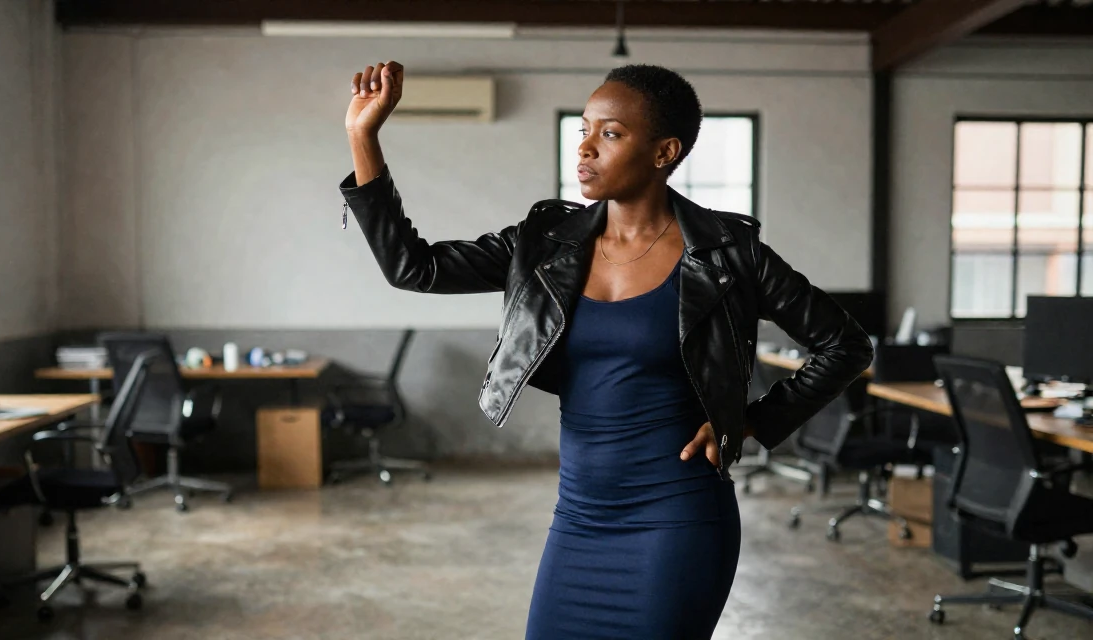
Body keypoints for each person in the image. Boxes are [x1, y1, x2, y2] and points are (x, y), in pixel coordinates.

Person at [339, 60, 873, 639]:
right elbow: (413, 267)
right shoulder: (544, 245)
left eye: (610, 133)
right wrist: (362, 137)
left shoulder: (729, 255)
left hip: (676, 521)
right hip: (578, 519)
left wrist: (751, 423)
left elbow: (846, 343)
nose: (587, 148)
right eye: (584, 130)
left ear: (664, 152)